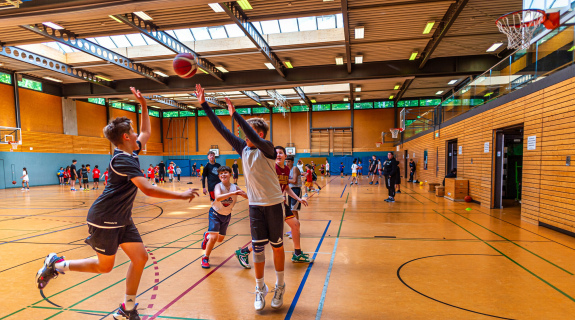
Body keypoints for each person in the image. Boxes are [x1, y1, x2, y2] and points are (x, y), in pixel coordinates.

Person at [35, 86, 199, 320]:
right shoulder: (123, 160)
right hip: (105, 219)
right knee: (105, 267)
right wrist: (181, 195)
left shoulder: (130, 152)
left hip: (121, 218)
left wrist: (143, 104)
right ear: (125, 137)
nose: (137, 136)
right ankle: (57, 264)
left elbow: (146, 132)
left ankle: (127, 308)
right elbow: (148, 188)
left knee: (140, 258)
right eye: (132, 133)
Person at [197, 84, 287, 311]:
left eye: (248, 132)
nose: (242, 135)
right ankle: (260, 288)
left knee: (276, 247)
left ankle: (280, 284)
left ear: (261, 135)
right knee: (257, 249)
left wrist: (235, 114)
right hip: (255, 206)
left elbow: (247, 132)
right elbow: (222, 130)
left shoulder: (267, 148)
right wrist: (204, 105)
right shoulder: (243, 149)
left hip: (274, 204)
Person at [235, 147, 312, 268]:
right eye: (276, 153)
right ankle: (244, 252)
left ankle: (297, 254)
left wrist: (298, 198)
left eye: (281, 153)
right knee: (265, 237)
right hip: (269, 204)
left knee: (295, 224)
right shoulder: (270, 168)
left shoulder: (286, 169)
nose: (278, 155)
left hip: (280, 203)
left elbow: (285, 187)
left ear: (286, 156)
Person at [202, 166, 248, 268]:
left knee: (220, 239)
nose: (223, 174)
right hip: (215, 213)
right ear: (219, 176)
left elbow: (246, 195)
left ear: (230, 175)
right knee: (214, 238)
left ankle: (207, 236)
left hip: (227, 215)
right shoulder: (218, 186)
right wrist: (233, 193)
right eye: (221, 173)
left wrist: (248, 194)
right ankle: (205, 257)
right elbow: (218, 198)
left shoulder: (235, 187)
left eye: (226, 172)